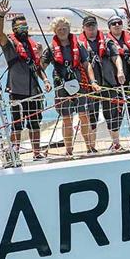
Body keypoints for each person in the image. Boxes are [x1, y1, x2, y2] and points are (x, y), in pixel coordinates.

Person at [0, 0, 51, 161]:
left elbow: (38, 67)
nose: (24, 29)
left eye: (25, 26)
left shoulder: (33, 45)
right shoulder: (10, 44)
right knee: (17, 124)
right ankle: (15, 154)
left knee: (34, 123)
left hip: (34, 91)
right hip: (17, 91)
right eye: (20, 27)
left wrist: (46, 80)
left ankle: (36, 153)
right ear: (14, 28)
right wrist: (1, 16)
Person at [40, 17, 99, 157]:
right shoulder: (50, 49)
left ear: (69, 29)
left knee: (84, 116)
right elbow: (40, 67)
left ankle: (90, 147)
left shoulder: (78, 45)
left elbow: (86, 64)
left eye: (64, 28)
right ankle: (69, 150)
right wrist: (46, 81)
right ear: (55, 31)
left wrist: (93, 82)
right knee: (66, 119)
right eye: (59, 29)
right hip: (61, 87)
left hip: (79, 85)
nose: (62, 31)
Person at [77, 14, 127, 151]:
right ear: (83, 28)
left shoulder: (106, 41)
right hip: (90, 88)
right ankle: (91, 147)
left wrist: (120, 71)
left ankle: (116, 144)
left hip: (108, 84)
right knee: (91, 118)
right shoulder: (79, 44)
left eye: (93, 25)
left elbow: (116, 56)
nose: (91, 28)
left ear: (97, 26)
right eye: (88, 26)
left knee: (112, 115)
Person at [106, 0, 130, 147]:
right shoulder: (107, 41)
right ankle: (116, 143)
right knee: (118, 111)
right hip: (117, 80)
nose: (117, 25)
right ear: (110, 27)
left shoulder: (129, 37)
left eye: (119, 23)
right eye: (113, 24)